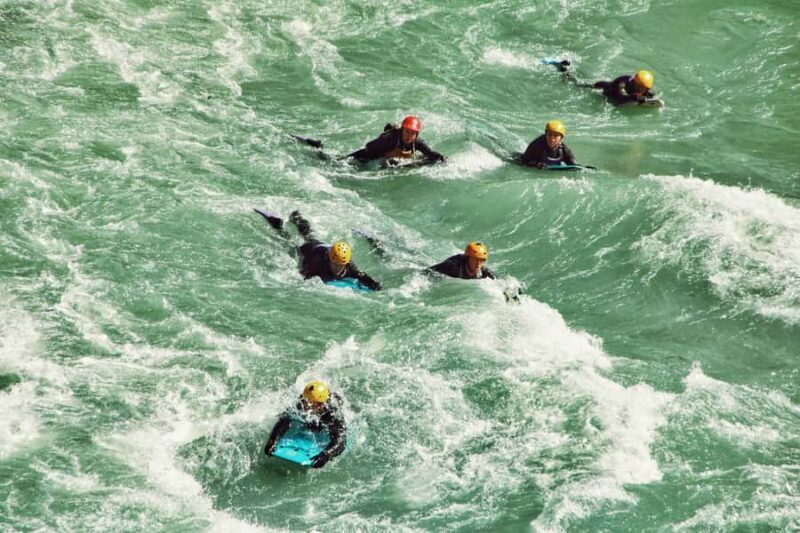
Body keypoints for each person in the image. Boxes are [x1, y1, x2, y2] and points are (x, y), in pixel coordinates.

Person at [289, 211, 382, 290]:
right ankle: (294, 219)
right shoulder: (319, 263)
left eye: (340, 265)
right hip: (313, 249)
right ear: (329, 259)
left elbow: (362, 276)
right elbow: (303, 276)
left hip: (330, 249)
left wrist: (375, 285)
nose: (337, 268)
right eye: (334, 263)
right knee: (305, 238)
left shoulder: (349, 266)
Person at [264, 381, 346, 469]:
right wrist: (273, 440)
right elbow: (284, 420)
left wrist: (326, 454)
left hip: (327, 418)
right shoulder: (302, 403)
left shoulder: (332, 413)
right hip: (316, 399)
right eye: (308, 404)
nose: (309, 408)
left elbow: (341, 440)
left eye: (314, 405)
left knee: (317, 427)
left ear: (322, 404)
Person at [345, 116, 446, 165]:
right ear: (402, 130)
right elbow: (369, 147)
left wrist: (442, 158)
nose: (409, 136)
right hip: (365, 157)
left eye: (413, 133)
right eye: (407, 132)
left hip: (384, 158)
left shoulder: (417, 142)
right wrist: (386, 157)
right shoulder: (391, 139)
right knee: (340, 162)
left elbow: (430, 154)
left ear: (416, 135)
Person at [426, 241, 497, 280]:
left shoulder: (485, 272)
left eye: (481, 260)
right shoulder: (453, 266)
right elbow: (430, 270)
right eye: (475, 259)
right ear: (468, 258)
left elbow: (499, 283)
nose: (478, 263)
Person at [591, 70, 655, 106]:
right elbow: (619, 98)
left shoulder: (643, 87)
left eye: (645, 89)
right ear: (635, 83)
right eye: (639, 87)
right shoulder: (622, 84)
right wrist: (633, 98)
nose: (641, 90)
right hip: (605, 90)